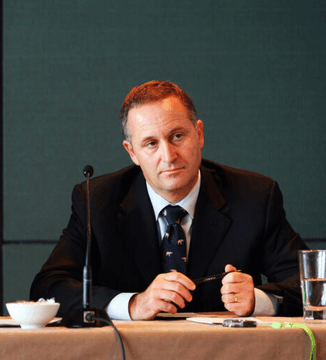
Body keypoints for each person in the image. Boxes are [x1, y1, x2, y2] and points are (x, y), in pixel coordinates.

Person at [30, 80, 307, 320]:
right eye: (151, 143)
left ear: (198, 134)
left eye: (177, 136)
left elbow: (310, 283)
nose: (169, 155)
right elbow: (48, 287)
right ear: (132, 152)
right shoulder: (97, 201)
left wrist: (258, 299)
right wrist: (134, 304)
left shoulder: (254, 196)